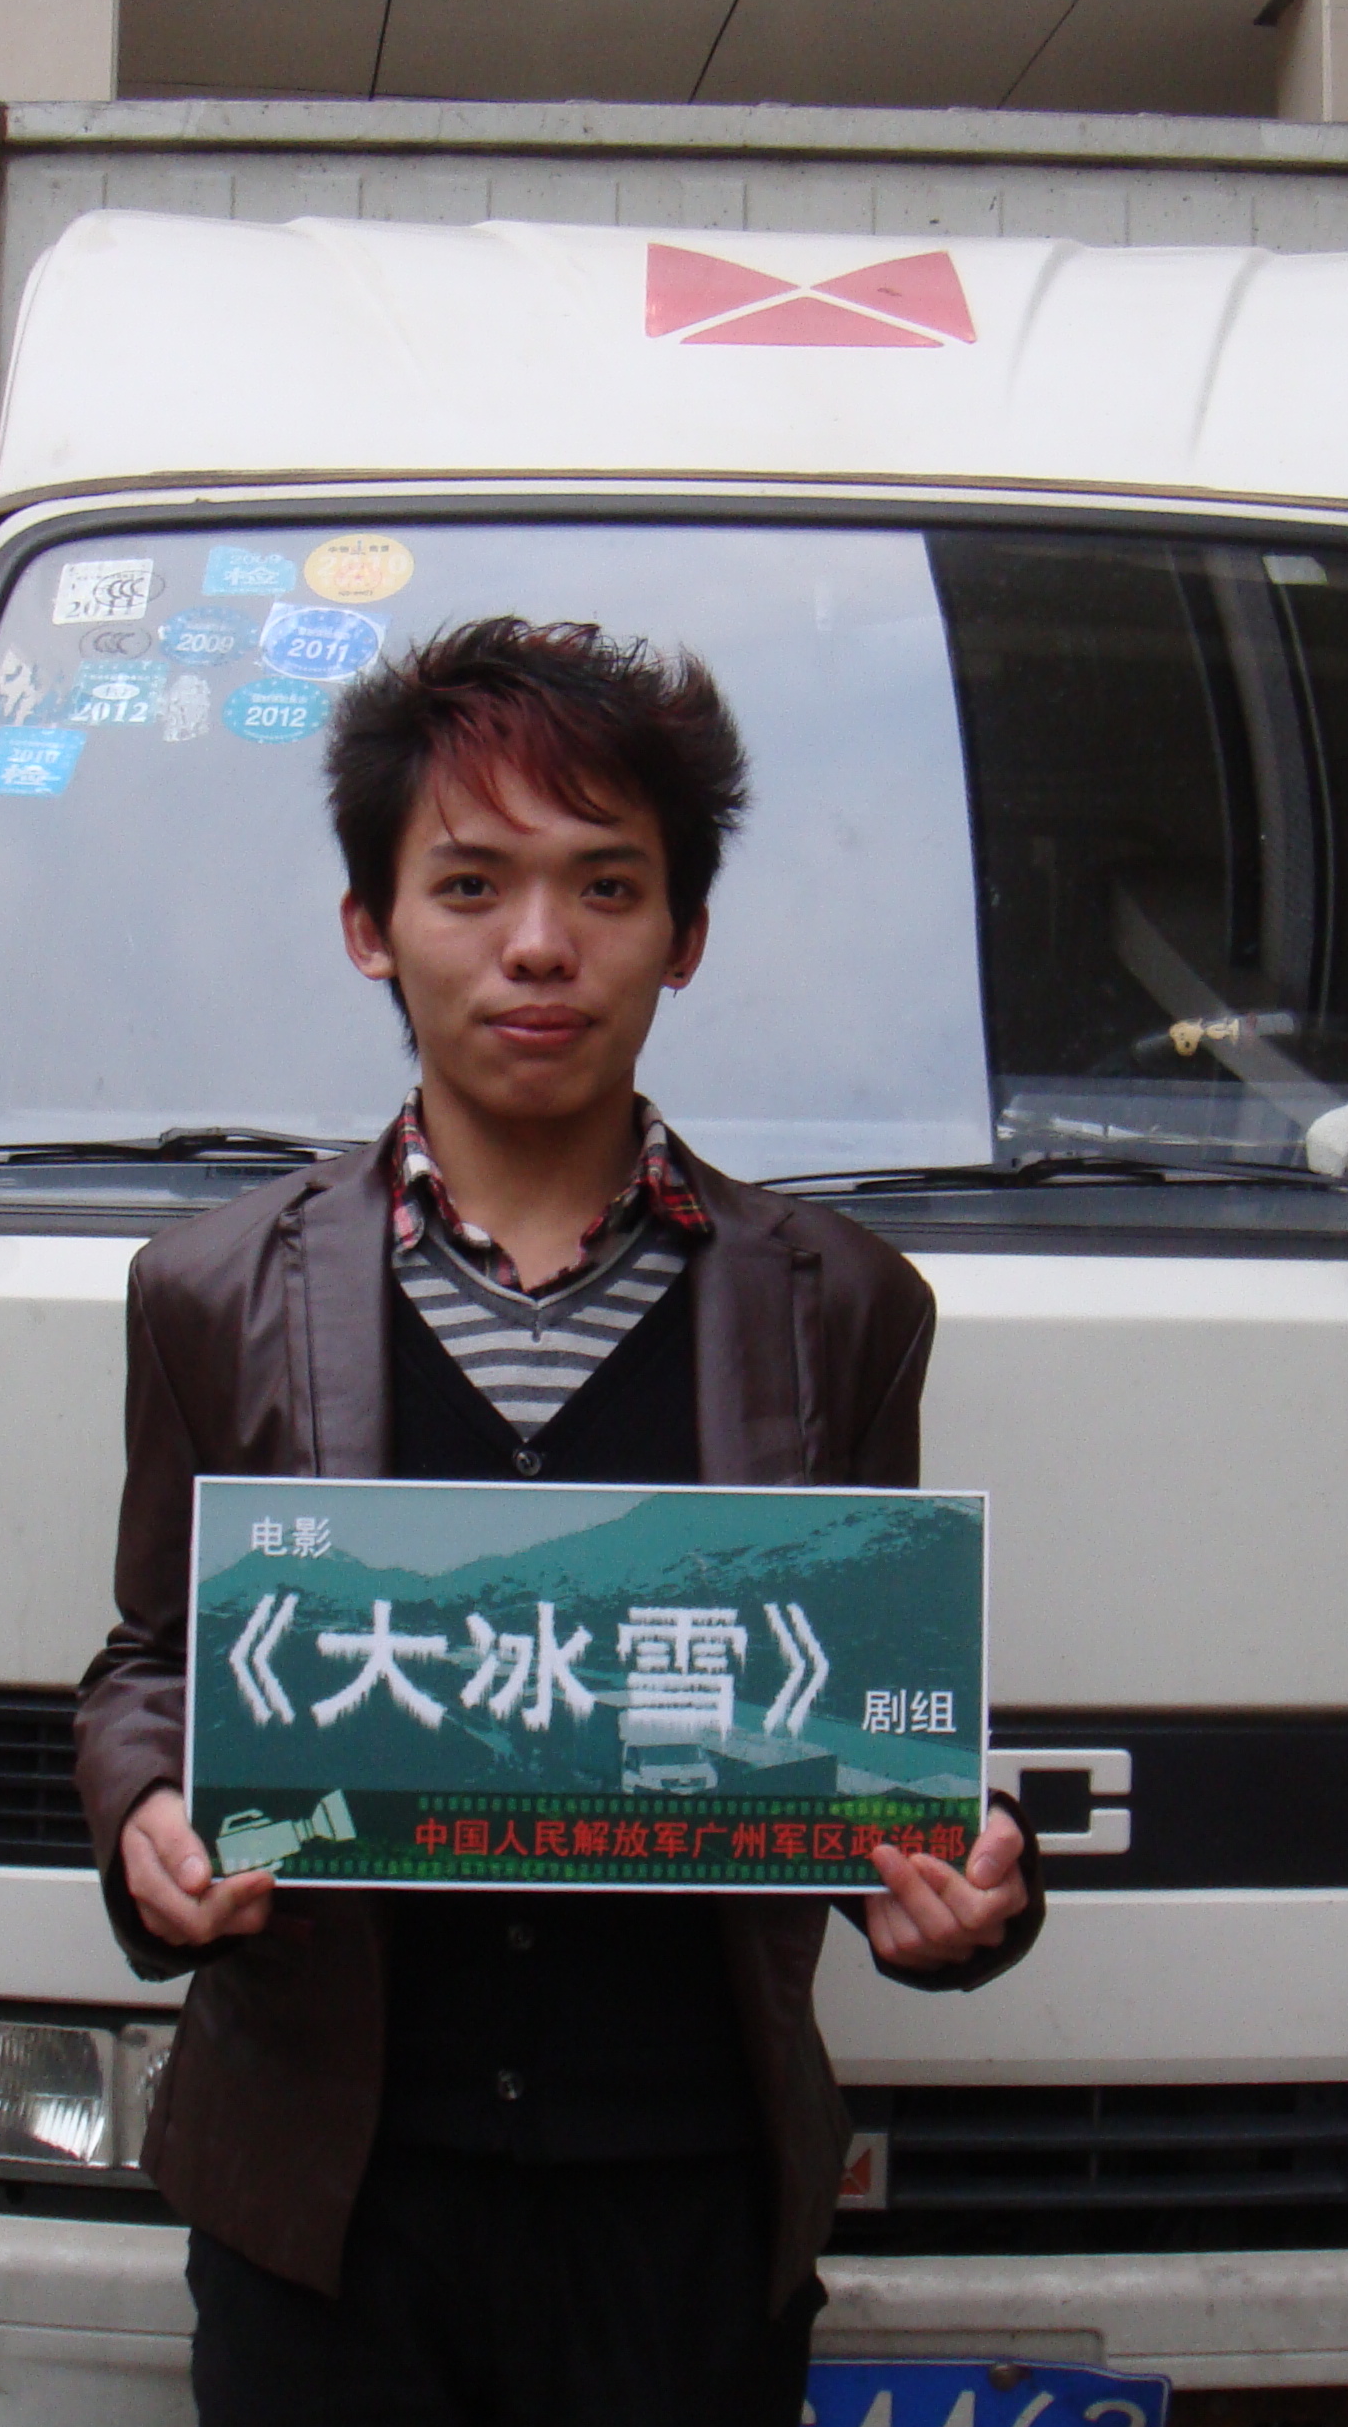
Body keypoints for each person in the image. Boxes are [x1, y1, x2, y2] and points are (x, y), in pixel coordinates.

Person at [72, 614, 1041, 2427]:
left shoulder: (840, 1307)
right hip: (329, 2208)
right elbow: (150, 1656)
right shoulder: (213, 1293)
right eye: (470, 884)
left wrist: (965, 1877)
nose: (539, 944)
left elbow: (860, 1703)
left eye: (607, 885)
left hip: (689, 2198)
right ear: (371, 926)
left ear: (685, 933)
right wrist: (144, 1811)